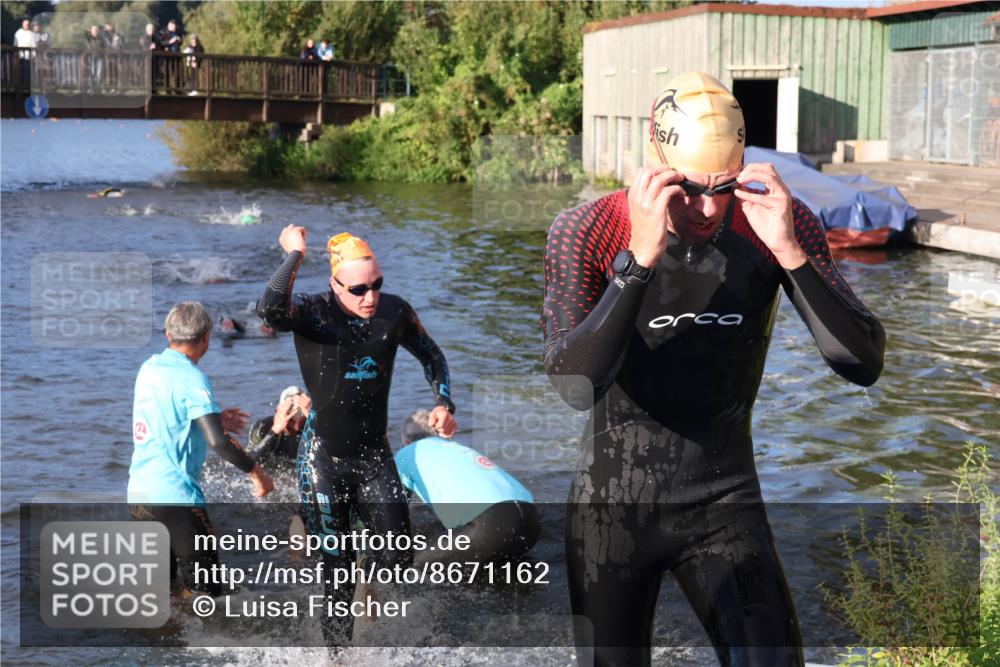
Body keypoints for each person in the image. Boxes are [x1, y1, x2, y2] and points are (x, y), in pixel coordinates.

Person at [542, 71, 885, 667]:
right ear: (656, 161)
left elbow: (861, 363)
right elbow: (573, 384)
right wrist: (640, 262)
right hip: (611, 510)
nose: (705, 209)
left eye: (722, 187)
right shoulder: (589, 229)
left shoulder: (779, 221)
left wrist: (790, 254)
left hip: (724, 500)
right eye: (687, 188)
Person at [257, 228, 457, 646]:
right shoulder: (313, 312)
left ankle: (366, 565)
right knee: (337, 570)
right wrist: (294, 254)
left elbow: (432, 356)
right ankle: (339, 658)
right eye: (359, 289)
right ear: (335, 286)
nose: (371, 297)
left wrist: (443, 403)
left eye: (377, 285)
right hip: (322, 459)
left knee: (399, 559)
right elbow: (268, 309)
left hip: (373, 456)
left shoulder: (394, 313)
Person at [128, 302, 274, 599]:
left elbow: (166, 414)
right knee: (209, 598)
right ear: (207, 337)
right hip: (177, 501)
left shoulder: (149, 367)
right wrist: (257, 474)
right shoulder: (193, 379)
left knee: (160, 594)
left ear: (169, 334)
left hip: (139, 497)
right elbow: (218, 442)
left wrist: (215, 418)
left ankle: (165, 643)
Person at [396, 410, 539, 564]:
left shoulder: (406, 454)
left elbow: (394, 512)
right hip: (532, 523)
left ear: (406, 442)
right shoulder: (458, 449)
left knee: (404, 567)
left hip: (489, 527)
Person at [245, 386, 312, 465]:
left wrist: (313, 419)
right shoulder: (264, 427)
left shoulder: (312, 426)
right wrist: (275, 430)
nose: (296, 427)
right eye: (290, 420)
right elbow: (248, 464)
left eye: (302, 420)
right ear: (277, 411)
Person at [13, 19, 36, 86]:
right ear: (22, 24)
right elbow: (15, 44)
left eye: (27, 24)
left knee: (28, 70)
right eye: (25, 24)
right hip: (19, 55)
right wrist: (15, 53)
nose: (26, 25)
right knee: (19, 70)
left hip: (28, 56)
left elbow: (33, 44)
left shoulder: (32, 34)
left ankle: (27, 83)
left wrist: (33, 55)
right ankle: (20, 83)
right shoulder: (18, 33)